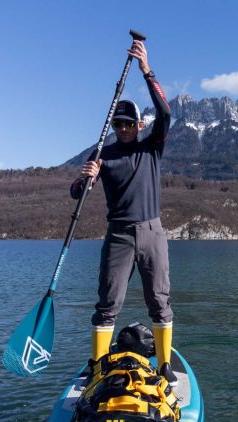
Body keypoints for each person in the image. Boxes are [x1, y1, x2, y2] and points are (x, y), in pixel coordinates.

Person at [70, 38, 176, 383]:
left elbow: (166, 112)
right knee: (107, 304)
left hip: (151, 231)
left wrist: (146, 69)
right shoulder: (103, 154)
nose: (124, 128)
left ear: (139, 125)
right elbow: (76, 193)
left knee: (159, 301)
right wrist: (86, 178)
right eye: (119, 124)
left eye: (129, 124)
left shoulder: (151, 147)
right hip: (118, 234)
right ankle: (98, 368)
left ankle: (163, 365)